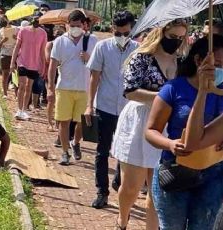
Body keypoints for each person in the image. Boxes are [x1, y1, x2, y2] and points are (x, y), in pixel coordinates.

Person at [112, 19, 189, 230]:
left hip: (167, 126)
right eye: (173, 37)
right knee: (131, 187)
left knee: (158, 191)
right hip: (139, 122)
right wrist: (163, 97)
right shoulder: (142, 57)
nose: (177, 41)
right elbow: (130, 90)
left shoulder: (183, 61)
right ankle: (122, 219)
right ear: (161, 32)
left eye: (181, 37)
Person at [145, 35, 223, 230]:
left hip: (213, 174)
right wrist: (170, 144)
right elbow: (150, 131)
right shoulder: (174, 89)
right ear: (198, 60)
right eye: (219, 64)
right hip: (176, 171)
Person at [85, 10, 138, 209]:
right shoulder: (102, 47)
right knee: (102, 151)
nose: (122, 37)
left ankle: (118, 180)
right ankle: (102, 192)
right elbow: (94, 77)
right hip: (105, 106)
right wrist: (89, 105)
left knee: (124, 151)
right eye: (118, 33)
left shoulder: (138, 50)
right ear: (112, 29)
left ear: (131, 30)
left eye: (126, 33)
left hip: (127, 109)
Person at [47, 10, 98, 165]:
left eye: (78, 25)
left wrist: (88, 58)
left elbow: (98, 65)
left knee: (81, 122)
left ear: (84, 25)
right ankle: (64, 152)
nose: (75, 28)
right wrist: (50, 87)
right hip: (64, 87)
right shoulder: (60, 41)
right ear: (67, 25)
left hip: (84, 88)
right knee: (64, 121)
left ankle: (75, 142)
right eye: (72, 25)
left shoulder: (92, 40)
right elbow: (52, 65)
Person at [10, 14, 47, 121]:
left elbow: (42, 51)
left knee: (28, 87)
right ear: (31, 21)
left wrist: (43, 66)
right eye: (35, 20)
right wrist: (13, 62)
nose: (36, 22)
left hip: (35, 64)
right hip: (22, 62)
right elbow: (17, 46)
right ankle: (19, 109)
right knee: (21, 85)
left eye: (38, 20)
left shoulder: (43, 33)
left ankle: (24, 110)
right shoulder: (23, 31)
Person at [45, 25, 65, 132]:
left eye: (61, 34)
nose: (59, 36)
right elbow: (48, 59)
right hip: (51, 74)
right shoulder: (50, 44)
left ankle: (58, 123)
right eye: (57, 34)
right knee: (51, 99)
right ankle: (49, 122)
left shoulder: (65, 45)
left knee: (60, 101)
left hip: (62, 75)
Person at [0, 15, 18, 99]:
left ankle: (16, 94)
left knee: (15, 74)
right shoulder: (0, 31)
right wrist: (2, 41)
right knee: (5, 74)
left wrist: (16, 38)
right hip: (4, 54)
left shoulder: (16, 29)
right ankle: (5, 93)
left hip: (15, 54)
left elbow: (21, 41)